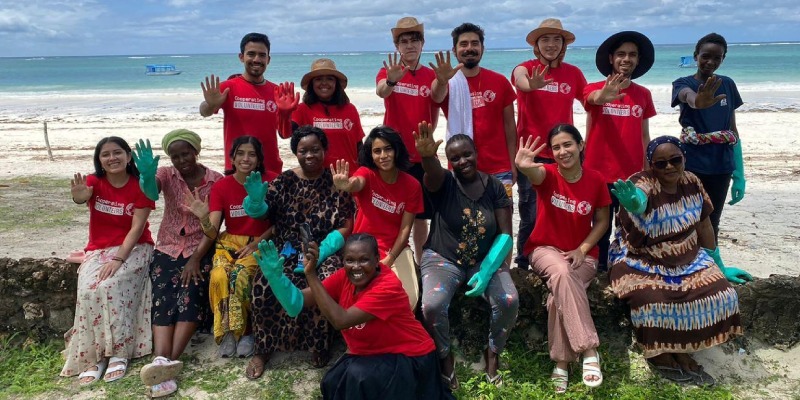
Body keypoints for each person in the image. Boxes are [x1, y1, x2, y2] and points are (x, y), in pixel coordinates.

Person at [609, 136, 752, 385]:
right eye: (660, 163)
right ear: (651, 165)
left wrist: (717, 262)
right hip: (641, 257)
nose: (669, 167)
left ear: (684, 158)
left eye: (675, 160)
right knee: (650, 297)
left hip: (687, 254)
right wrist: (635, 203)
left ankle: (684, 349)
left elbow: (705, 224)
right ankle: (661, 353)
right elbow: (639, 199)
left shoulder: (692, 182)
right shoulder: (641, 182)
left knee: (722, 293)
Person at [253, 234, 455, 399]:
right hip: (371, 352)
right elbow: (296, 303)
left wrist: (311, 274)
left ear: (377, 260)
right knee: (332, 383)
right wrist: (276, 278)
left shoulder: (388, 287)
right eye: (350, 260)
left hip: (409, 357)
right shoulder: (344, 276)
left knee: (356, 378)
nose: (356, 267)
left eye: (364, 260)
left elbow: (340, 320)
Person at [242, 126, 355, 379]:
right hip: (285, 249)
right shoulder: (283, 181)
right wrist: (255, 202)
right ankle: (263, 349)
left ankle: (319, 345)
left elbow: (346, 225)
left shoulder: (336, 180)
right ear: (295, 153)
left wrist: (323, 250)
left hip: (324, 249)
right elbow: (263, 214)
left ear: (324, 150)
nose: (310, 155)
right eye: (303, 150)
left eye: (316, 149)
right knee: (262, 284)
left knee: (326, 281)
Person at [414, 121, 518, 389]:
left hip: (485, 260)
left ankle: (492, 354)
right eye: (455, 158)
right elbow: (432, 173)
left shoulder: (494, 186)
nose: (462, 161)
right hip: (442, 258)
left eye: (467, 154)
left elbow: (506, 234)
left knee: (508, 300)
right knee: (432, 306)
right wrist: (427, 157)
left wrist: (485, 272)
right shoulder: (444, 182)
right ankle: (445, 359)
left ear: (476, 153)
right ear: (449, 162)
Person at [515, 124, 609, 393]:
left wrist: (583, 248)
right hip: (545, 250)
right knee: (562, 274)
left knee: (559, 295)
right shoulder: (548, 175)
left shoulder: (596, 179)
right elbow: (535, 172)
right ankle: (589, 349)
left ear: (580, 145)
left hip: (583, 255)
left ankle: (562, 363)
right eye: (556, 147)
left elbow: (602, 220)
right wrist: (523, 165)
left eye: (567, 144)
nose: (562, 151)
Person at [131, 130, 223, 397]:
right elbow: (150, 193)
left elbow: (213, 229)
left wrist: (195, 259)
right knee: (164, 296)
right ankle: (162, 361)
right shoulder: (166, 175)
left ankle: (166, 362)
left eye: (186, 154)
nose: (182, 160)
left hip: (201, 248)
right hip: (168, 246)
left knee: (192, 293)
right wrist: (147, 175)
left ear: (196, 152)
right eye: (175, 155)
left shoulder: (215, 181)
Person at [61, 136, 155, 385]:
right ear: (99, 160)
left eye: (117, 152)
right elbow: (82, 197)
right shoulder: (94, 181)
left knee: (110, 287)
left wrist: (118, 259)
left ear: (128, 156)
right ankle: (95, 356)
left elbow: (137, 229)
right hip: (98, 249)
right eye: (106, 154)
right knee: (89, 291)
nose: (112, 158)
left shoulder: (141, 185)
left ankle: (118, 353)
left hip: (134, 248)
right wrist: (80, 197)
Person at [187, 136, 275, 359]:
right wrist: (204, 218)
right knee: (219, 275)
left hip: (260, 241)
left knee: (241, 275)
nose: (246, 158)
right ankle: (227, 332)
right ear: (233, 158)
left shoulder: (271, 181)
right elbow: (213, 230)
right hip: (229, 242)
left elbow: (279, 223)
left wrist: (256, 244)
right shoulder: (222, 186)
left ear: (259, 159)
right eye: (241, 154)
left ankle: (247, 332)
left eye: (252, 154)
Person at [511, 18, 587, 269]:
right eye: (545, 39)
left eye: (557, 39)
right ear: (537, 45)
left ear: (564, 44)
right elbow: (520, 79)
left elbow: (590, 101)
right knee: (530, 212)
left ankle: (560, 256)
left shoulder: (573, 73)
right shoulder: (525, 68)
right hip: (531, 154)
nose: (551, 44)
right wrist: (530, 85)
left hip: (564, 154)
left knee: (564, 209)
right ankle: (523, 262)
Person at [583, 30, 656, 270]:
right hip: (597, 174)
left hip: (631, 176)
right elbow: (593, 98)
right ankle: (599, 268)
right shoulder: (592, 88)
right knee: (598, 226)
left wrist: (648, 171)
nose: (627, 59)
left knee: (629, 226)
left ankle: (626, 268)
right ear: (611, 58)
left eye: (632, 55)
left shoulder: (643, 94)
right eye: (621, 54)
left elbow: (644, 134)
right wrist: (604, 95)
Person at [331, 126, 424, 308]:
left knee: (409, 301)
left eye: (388, 149)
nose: (383, 155)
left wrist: (390, 258)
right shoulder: (367, 173)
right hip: (361, 248)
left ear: (397, 150)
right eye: (377, 151)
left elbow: (406, 228)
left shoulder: (412, 185)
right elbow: (356, 183)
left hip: (395, 250)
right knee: (355, 300)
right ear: (371, 155)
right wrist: (346, 184)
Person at [376, 16, 440, 264]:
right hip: (394, 154)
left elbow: (439, 95)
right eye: (404, 41)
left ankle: (422, 261)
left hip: (422, 152)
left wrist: (442, 80)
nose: (410, 45)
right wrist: (392, 79)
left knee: (422, 214)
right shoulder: (389, 71)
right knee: (392, 209)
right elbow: (382, 90)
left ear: (422, 44)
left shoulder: (431, 74)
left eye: (415, 40)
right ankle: (391, 256)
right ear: (397, 46)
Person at [430, 22, 518, 201]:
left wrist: (513, 163)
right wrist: (441, 81)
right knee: (467, 224)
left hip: (499, 168)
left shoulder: (499, 81)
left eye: (474, 43)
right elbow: (436, 97)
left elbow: (510, 126)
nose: (469, 48)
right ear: (454, 50)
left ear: (482, 48)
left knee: (503, 222)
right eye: (463, 44)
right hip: (461, 166)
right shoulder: (447, 82)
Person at [672, 33, 745, 241]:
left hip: (722, 165)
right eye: (705, 56)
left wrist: (739, 174)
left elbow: (733, 131)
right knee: (686, 219)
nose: (710, 62)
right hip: (691, 164)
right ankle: (685, 265)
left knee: (712, 219)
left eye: (717, 57)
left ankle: (710, 265)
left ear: (723, 59)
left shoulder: (728, 85)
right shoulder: (682, 83)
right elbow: (688, 96)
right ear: (696, 56)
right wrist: (698, 101)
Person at [199, 32, 296, 176]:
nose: (256, 59)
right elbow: (203, 111)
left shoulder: (277, 92)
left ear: (268, 59)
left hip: (269, 170)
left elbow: (285, 134)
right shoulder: (228, 87)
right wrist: (210, 105)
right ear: (241, 57)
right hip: (237, 169)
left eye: (262, 55)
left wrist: (286, 114)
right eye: (251, 54)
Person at [280, 58, 365, 169]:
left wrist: (364, 174)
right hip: (316, 179)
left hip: (348, 178)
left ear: (336, 83)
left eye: (330, 79)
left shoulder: (350, 109)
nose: (324, 83)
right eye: (318, 79)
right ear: (312, 84)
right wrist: (284, 115)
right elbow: (285, 134)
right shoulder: (302, 109)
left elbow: (359, 146)